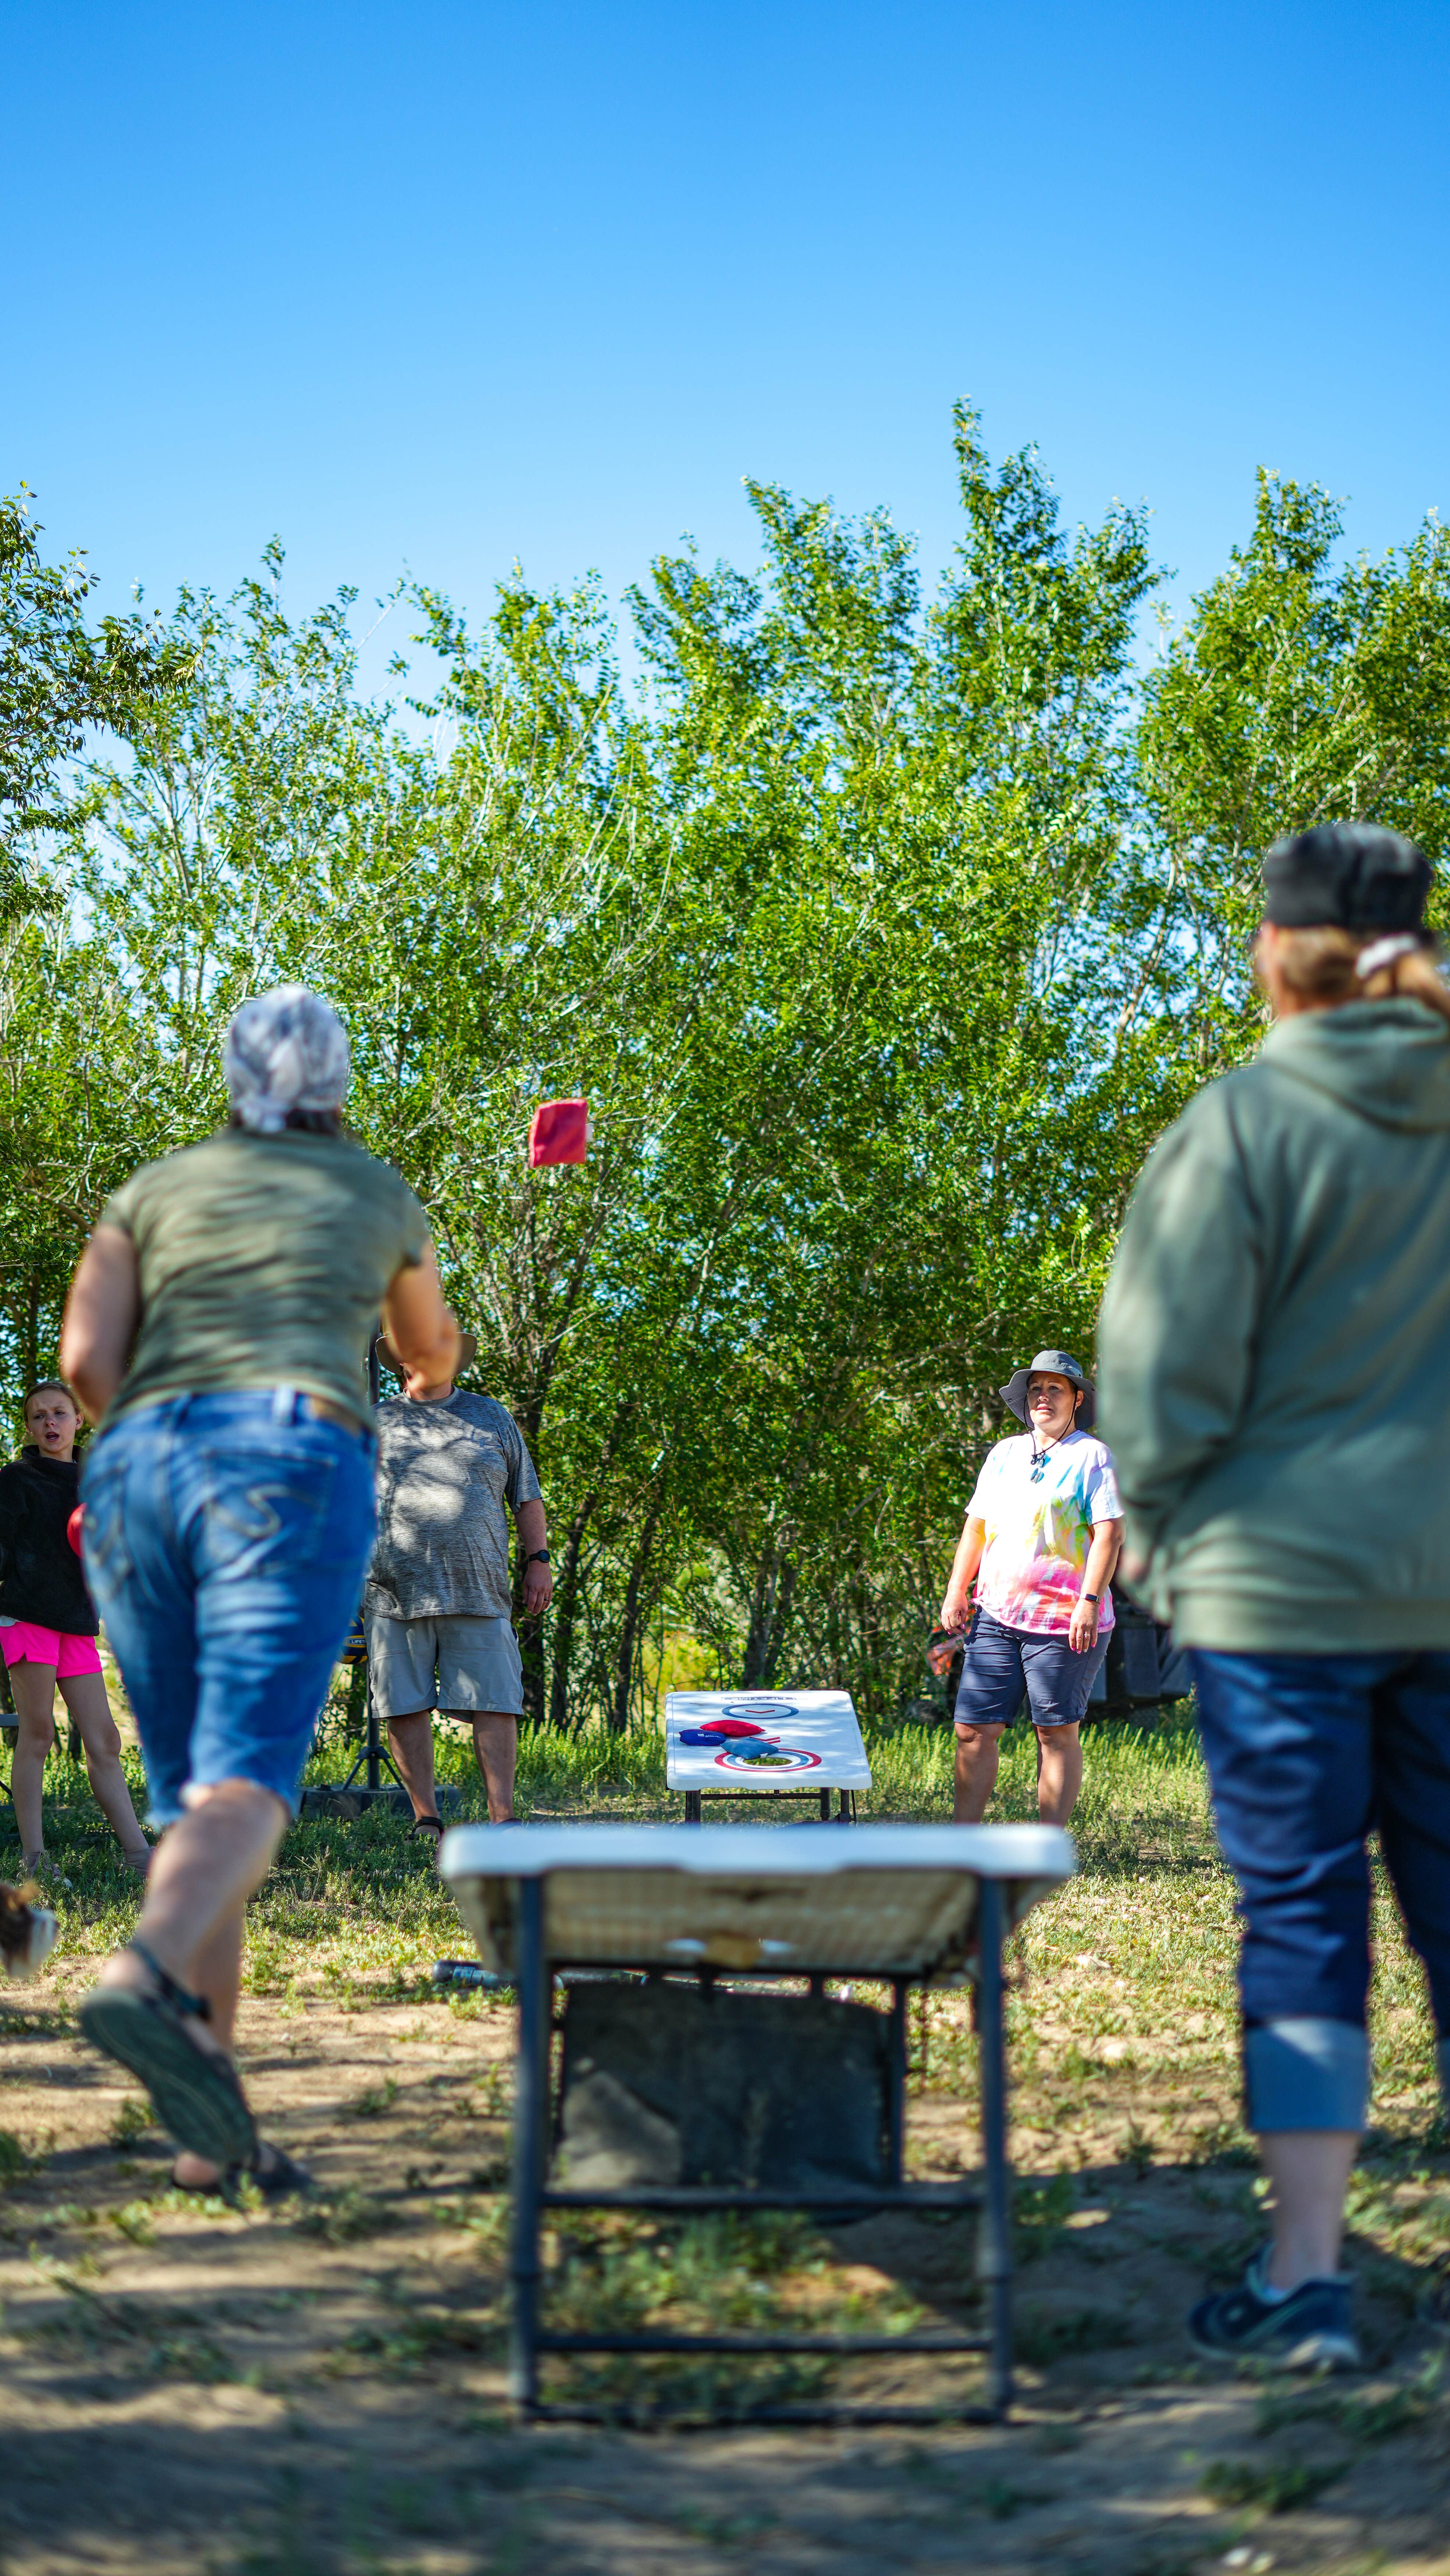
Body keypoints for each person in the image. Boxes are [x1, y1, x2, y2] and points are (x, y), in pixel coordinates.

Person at [1097, 822, 1450, 2371]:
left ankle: (1307, 2280)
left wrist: (1166, 1540)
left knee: (1300, 1922)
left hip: (1276, 1595)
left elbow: (1159, 1379)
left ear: (1275, 953)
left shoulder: (1241, 1123)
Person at [59, 986, 460, 2196]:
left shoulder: (155, 1190)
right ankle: (142, 1974)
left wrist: (150, 1439)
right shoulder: (374, 1190)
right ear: (337, 1085)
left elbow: (85, 1362)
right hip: (285, 1461)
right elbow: (429, 1351)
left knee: (200, 1808)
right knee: (248, 1786)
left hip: (135, 1471)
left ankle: (209, 2136)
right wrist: (420, 1363)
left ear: (232, 1079)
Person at [365, 1332, 552, 1848]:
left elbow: (527, 1497)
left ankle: (503, 1819)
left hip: (480, 1588)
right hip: (393, 1592)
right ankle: (426, 1818)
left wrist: (538, 1561)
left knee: (496, 1702)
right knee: (402, 1706)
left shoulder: (491, 1416)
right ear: (403, 1361)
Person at [938, 1350, 1124, 1827]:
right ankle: (961, 1842)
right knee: (972, 1730)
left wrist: (1089, 1601)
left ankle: (1046, 1847)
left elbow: (1110, 1535)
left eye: (1055, 1388)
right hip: (996, 1614)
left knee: (1054, 1734)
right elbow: (976, 1527)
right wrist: (957, 1589)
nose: (1043, 1396)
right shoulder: (1004, 1454)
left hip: (1066, 1622)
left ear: (1077, 1399)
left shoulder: (1093, 1457)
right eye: (1036, 1388)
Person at [0, 1381, 151, 1878]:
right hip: (27, 1616)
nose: (50, 1423)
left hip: (78, 1620)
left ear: (78, 1420)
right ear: (30, 1427)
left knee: (104, 1739)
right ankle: (35, 1861)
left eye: (60, 1413)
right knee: (38, 1732)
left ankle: (138, 1856)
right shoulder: (16, 1480)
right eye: (39, 1416)